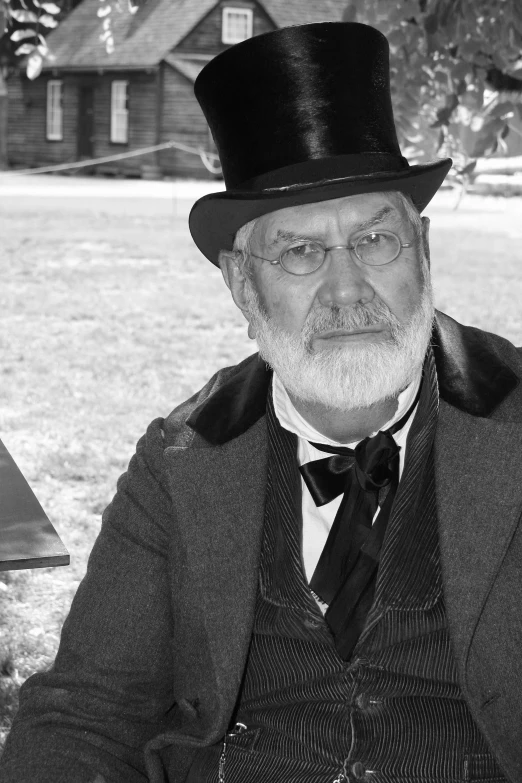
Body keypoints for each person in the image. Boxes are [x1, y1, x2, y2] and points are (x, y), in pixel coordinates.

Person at [1, 21, 521, 783]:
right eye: (300, 252)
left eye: (376, 240)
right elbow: (87, 709)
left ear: (424, 252)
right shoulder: (184, 461)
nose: (347, 290)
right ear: (244, 286)